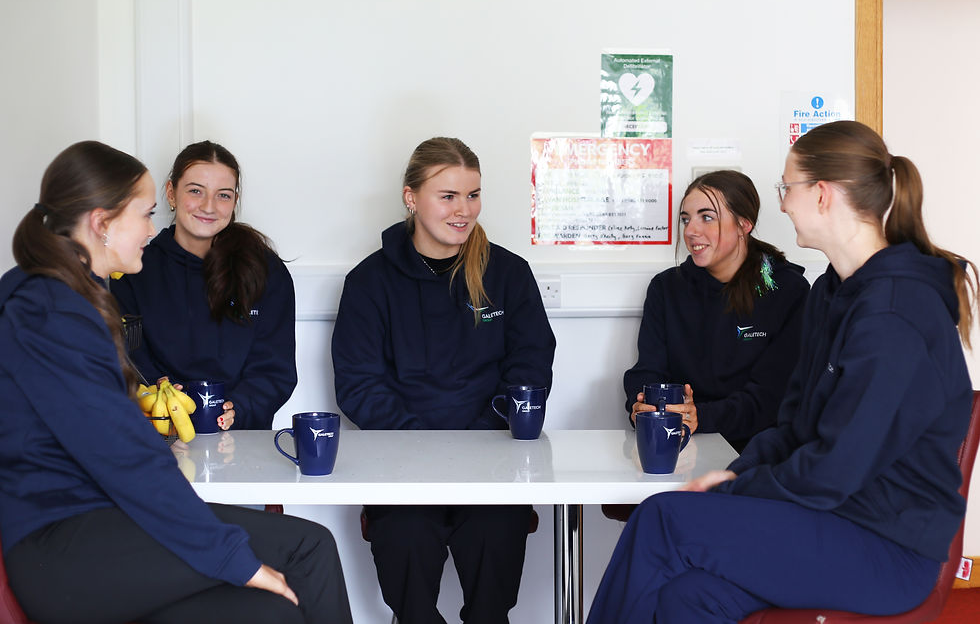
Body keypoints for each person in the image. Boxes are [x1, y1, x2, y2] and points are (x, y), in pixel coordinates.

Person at [587, 120, 978, 623]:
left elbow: (836, 468)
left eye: (787, 189)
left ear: (822, 194)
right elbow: (793, 427)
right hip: (832, 519)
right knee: (687, 597)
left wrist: (734, 490)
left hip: (885, 546)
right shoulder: (830, 294)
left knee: (664, 519)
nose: (783, 204)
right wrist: (734, 471)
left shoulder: (896, 312)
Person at [0, 141, 352, 624]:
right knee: (309, 547)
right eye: (144, 215)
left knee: (273, 612)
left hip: (101, 525)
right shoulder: (50, 309)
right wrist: (231, 557)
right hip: (65, 548)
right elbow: (125, 459)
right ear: (102, 223)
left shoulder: (67, 296)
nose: (151, 229)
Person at [332, 137, 556, 624]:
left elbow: (531, 364)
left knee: (494, 539)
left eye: (473, 195)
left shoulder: (509, 274)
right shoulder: (369, 283)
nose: (464, 210)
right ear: (411, 198)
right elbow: (359, 383)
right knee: (407, 543)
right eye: (448, 196)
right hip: (402, 464)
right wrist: (421, 447)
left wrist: (480, 440)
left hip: (492, 460)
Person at [111, 140, 296, 430]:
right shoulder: (135, 269)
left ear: (235, 201)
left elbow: (275, 370)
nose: (209, 207)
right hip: (160, 433)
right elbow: (130, 359)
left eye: (223, 195)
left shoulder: (266, 270)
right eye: (196, 191)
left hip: (244, 438)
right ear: (171, 193)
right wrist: (164, 396)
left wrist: (240, 408)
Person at [623, 170, 810, 452]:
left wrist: (701, 416)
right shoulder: (665, 288)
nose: (690, 230)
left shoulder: (788, 290)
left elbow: (774, 396)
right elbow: (648, 371)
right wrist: (643, 406)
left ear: (743, 224)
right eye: (686, 219)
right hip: (678, 440)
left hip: (760, 451)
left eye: (706, 217)